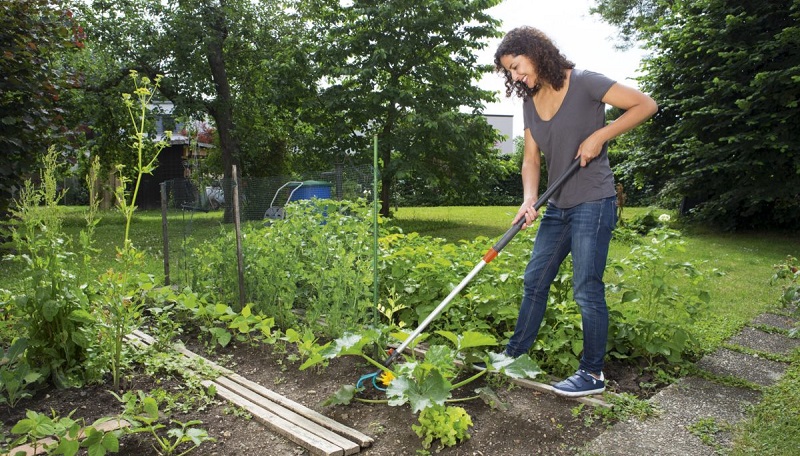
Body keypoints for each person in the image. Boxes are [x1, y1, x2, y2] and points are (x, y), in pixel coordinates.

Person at [492, 26, 657, 397]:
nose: (516, 76)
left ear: (536, 52)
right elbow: (530, 159)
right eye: (510, 72)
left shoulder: (584, 83)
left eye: (517, 66)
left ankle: (592, 374)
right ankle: (514, 355)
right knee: (534, 280)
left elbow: (646, 104)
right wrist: (529, 198)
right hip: (557, 205)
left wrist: (600, 135)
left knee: (586, 288)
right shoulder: (529, 101)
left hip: (593, 201)